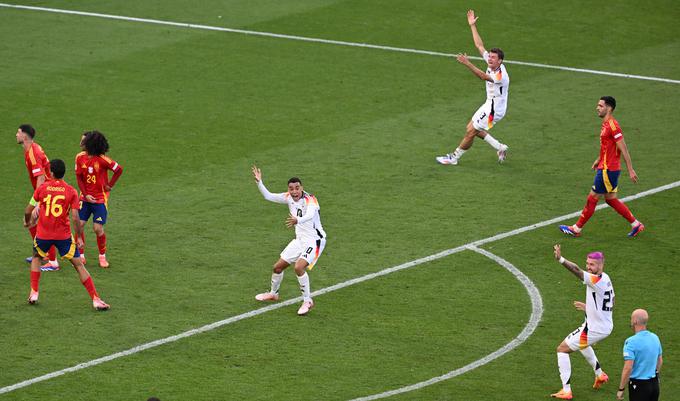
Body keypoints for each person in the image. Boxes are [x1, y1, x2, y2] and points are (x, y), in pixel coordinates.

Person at [23, 159, 110, 310]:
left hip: (43, 233)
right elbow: (76, 218)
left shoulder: (42, 188)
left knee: (36, 258)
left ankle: (34, 292)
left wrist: (27, 222)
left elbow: (28, 210)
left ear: (50, 172)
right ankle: (95, 299)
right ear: (64, 173)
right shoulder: (71, 191)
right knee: (78, 265)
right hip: (63, 236)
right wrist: (80, 237)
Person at [559, 96, 644, 238]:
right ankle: (636, 224)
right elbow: (607, 146)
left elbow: (623, 148)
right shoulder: (605, 124)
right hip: (605, 167)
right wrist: (598, 159)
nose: (597, 108)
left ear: (609, 108)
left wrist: (630, 169)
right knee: (610, 199)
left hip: (608, 169)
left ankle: (576, 228)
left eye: (600, 105)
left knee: (592, 198)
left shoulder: (613, 126)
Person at [436, 9, 509, 166]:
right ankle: (500, 147)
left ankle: (454, 157)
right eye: (490, 56)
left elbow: (483, 76)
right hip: (490, 103)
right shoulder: (491, 62)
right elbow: (479, 45)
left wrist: (467, 62)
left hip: (494, 109)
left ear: (500, 61)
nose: (489, 58)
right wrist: (472, 25)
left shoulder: (500, 76)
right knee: (472, 127)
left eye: (493, 57)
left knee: (471, 131)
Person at [251, 165, 326, 316]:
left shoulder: (310, 199)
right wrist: (259, 182)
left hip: (314, 240)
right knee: (277, 268)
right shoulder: (288, 197)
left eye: (297, 188)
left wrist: (298, 220)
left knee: (299, 267)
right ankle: (273, 294)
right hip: (299, 240)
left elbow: (310, 215)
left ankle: (307, 300)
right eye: (291, 189)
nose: (294, 191)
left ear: (301, 188)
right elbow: (269, 196)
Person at [550, 245, 614, 399]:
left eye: (592, 264)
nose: (588, 267)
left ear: (601, 265)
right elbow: (609, 303)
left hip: (596, 327)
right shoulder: (606, 278)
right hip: (600, 324)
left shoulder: (595, 279)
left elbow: (577, 271)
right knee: (582, 344)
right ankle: (600, 374)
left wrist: (561, 259)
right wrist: (589, 308)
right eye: (587, 263)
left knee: (562, 349)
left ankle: (566, 391)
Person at [74, 131, 123, 268]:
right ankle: (81, 255)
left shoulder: (102, 159)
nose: (80, 143)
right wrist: (85, 194)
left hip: (100, 199)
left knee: (97, 228)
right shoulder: (79, 157)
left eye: (83, 141)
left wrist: (109, 186)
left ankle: (102, 256)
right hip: (85, 197)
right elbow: (79, 178)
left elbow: (118, 169)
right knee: (79, 225)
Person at [16, 124, 59, 270]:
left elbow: (40, 178)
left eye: (18, 132)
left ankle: (53, 262)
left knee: (41, 223)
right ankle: (43, 253)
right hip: (44, 190)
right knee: (30, 221)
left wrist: (39, 203)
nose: (16, 135)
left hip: (47, 191)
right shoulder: (31, 149)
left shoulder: (33, 153)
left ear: (25, 136)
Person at [616, 309, 663, 401]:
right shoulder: (655, 337)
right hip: (654, 385)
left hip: (639, 386)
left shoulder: (630, 342)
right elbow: (660, 360)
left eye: (631, 319)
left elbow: (628, 368)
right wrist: (656, 373)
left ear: (635, 321)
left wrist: (621, 389)